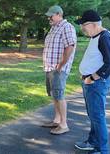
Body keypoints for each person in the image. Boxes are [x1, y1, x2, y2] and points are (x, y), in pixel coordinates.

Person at [74, 10, 110, 154]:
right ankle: (93, 142)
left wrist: (91, 78)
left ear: (92, 24)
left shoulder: (104, 37)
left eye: (83, 25)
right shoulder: (96, 36)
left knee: (97, 116)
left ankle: (101, 150)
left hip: (96, 84)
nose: (82, 28)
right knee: (93, 115)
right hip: (91, 83)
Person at [41, 5, 77, 135]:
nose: (48, 18)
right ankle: (56, 120)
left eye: (50, 15)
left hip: (58, 69)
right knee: (54, 95)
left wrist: (61, 65)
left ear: (58, 14)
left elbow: (70, 47)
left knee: (59, 95)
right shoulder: (53, 28)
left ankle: (63, 124)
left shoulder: (66, 27)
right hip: (50, 68)